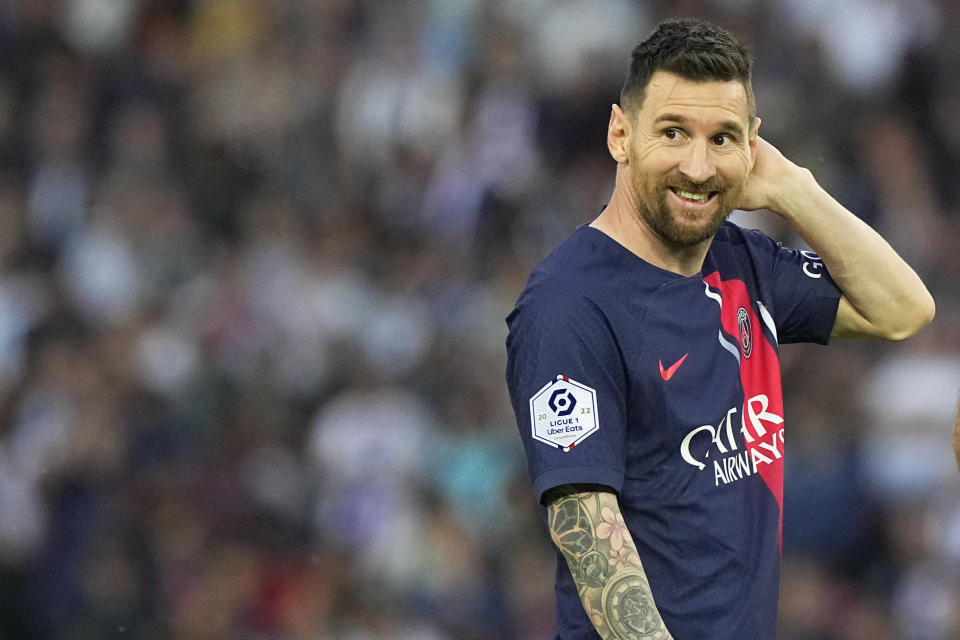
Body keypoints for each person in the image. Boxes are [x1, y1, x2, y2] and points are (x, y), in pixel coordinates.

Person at [505, 18, 935, 640]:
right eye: (673, 133)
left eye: (723, 139)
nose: (699, 167)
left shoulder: (742, 263)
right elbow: (591, 536)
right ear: (620, 134)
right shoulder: (569, 305)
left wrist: (793, 187)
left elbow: (902, 310)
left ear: (753, 145)